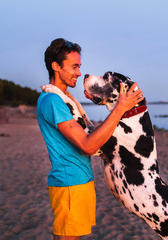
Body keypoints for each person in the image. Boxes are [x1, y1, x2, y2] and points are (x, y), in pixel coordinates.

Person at [37, 38, 144, 240]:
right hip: (70, 184)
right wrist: (120, 108)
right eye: (74, 67)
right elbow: (88, 145)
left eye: (79, 67)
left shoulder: (62, 99)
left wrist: (106, 102)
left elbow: (91, 135)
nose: (79, 72)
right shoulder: (52, 100)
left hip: (80, 182)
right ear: (55, 66)